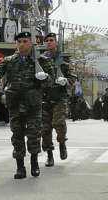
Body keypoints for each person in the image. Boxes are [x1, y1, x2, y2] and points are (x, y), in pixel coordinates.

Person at [0, 32, 54, 179]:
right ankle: (20, 167)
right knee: (17, 135)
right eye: (19, 41)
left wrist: (45, 78)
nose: (21, 44)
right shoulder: (9, 61)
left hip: (33, 104)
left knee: (34, 135)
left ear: (31, 43)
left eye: (25, 41)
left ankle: (34, 163)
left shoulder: (41, 61)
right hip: (15, 103)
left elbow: (51, 81)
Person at [41, 33, 76, 167]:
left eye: (51, 40)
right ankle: (49, 155)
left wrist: (66, 81)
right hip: (44, 97)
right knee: (45, 129)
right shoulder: (40, 59)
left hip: (59, 97)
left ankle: (62, 143)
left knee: (59, 123)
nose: (49, 42)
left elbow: (73, 78)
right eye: (47, 41)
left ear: (56, 42)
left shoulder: (63, 59)